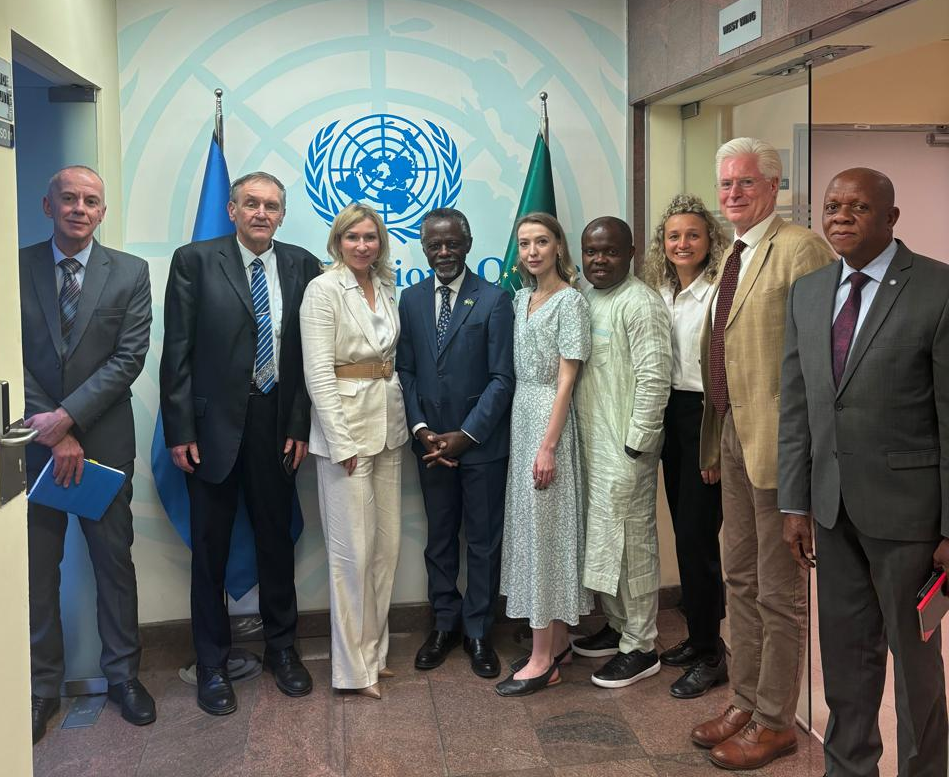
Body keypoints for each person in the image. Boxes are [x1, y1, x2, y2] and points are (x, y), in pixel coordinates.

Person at [779, 168, 949, 777]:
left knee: (915, 667)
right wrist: (794, 503)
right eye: (832, 206)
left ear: (891, 218)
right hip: (831, 510)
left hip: (910, 518)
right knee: (846, 663)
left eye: (858, 206)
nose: (841, 217)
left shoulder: (937, 287)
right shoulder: (808, 292)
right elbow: (796, 405)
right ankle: (848, 769)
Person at [692, 137, 835, 770]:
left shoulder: (801, 249)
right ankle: (745, 701)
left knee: (779, 591)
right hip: (732, 434)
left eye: (745, 182)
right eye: (726, 183)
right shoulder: (734, 252)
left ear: (774, 186)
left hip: (781, 445)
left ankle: (776, 721)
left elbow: (821, 361)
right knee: (740, 578)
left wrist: (810, 456)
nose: (733, 193)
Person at [160, 172, 319, 715]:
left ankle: (282, 650)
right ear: (231, 209)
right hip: (211, 431)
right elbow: (177, 351)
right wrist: (180, 431)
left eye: (271, 206)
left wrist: (299, 425)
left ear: (282, 215)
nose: (261, 213)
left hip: (277, 424)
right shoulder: (195, 261)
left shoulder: (301, 265)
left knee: (277, 540)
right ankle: (212, 663)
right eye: (251, 203)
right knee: (210, 551)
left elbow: (307, 357)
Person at [20, 166, 155, 743]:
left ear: (102, 211)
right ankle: (40, 688)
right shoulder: (12, 267)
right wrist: (52, 429)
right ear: (47, 205)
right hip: (32, 447)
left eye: (91, 201)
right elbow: (5, 355)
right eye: (69, 198)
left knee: (114, 565)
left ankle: (124, 677)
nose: (80, 208)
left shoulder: (130, 272)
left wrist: (69, 418)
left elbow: (129, 358)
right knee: (36, 572)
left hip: (103, 444)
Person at [397, 208, 514, 679]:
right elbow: (405, 371)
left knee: (483, 542)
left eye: (452, 243)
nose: (443, 252)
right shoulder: (410, 299)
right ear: (424, 248)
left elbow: (503, 378)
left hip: (480, 445)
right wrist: (421, 428)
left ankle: (479, 630)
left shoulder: (495, 299)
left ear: (467, 243)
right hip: (430, 448)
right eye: (434, 245)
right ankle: (444, 624)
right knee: (440, 538)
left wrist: (465, 435)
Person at [300, 203, 408, 700]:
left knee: (385, 551)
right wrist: (339, 440)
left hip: (389, 427)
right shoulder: (323, 290)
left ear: (380, 242)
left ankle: (375, 655)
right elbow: (318, 372)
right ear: (338, 242)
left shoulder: (386, 286)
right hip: (345, 433)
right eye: (352, 237)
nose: (362, 245)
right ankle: (351, 670)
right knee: (351, 556)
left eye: (370, 237)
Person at [495, 212, 592, 697]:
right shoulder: (520, 299)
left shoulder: (570, 301)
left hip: (549, 421)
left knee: (545, 535)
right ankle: (557, 645)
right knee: (537, 533)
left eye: (541, 242)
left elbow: (568, 379)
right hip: (522, 417)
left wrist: (548, 445)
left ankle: (542, 661)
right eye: (524, 243)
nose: (532, 251)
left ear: (558, 247)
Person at [573, 216, 672, 689]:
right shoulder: (587, 298)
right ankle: (616, 626)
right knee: (605, 541)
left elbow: (655, 377)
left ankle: (642, 645)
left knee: (633, 545)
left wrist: (637, 443)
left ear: (631, 254)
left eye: (610, 251)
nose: (599, 260)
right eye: (591, 251)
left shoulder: (641, 303)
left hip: (627, 450)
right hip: (592, 446)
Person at [643, 195, 729, 699]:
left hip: (704, 416)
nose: (682, 243)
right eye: (673, 236)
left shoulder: (718, 292)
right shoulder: (660, 291)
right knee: (685, 534)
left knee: (700, 539)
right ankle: (698, 639)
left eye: (692, 235)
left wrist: (713, 445)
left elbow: (723, 371)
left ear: (709, 240)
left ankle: (714, 654)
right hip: (669, 413)